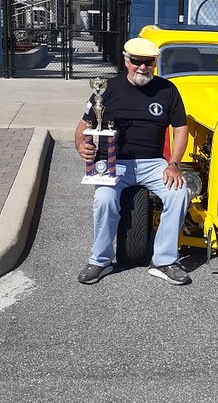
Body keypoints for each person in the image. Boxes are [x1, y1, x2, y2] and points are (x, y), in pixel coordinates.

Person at [74, 37, 191, 286]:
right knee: (104, 199)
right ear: (126, 61)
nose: (142, 67)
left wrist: (173, 163)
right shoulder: (106, 89)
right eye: (136, 61)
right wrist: (82, 146)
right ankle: (100, 260)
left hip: (153, 162)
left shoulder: (167, 90)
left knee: (179, 193)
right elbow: (85, 126)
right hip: (114, 162)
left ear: (155, 63)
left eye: (148, 62)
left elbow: (181, 129)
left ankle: (164, 260)